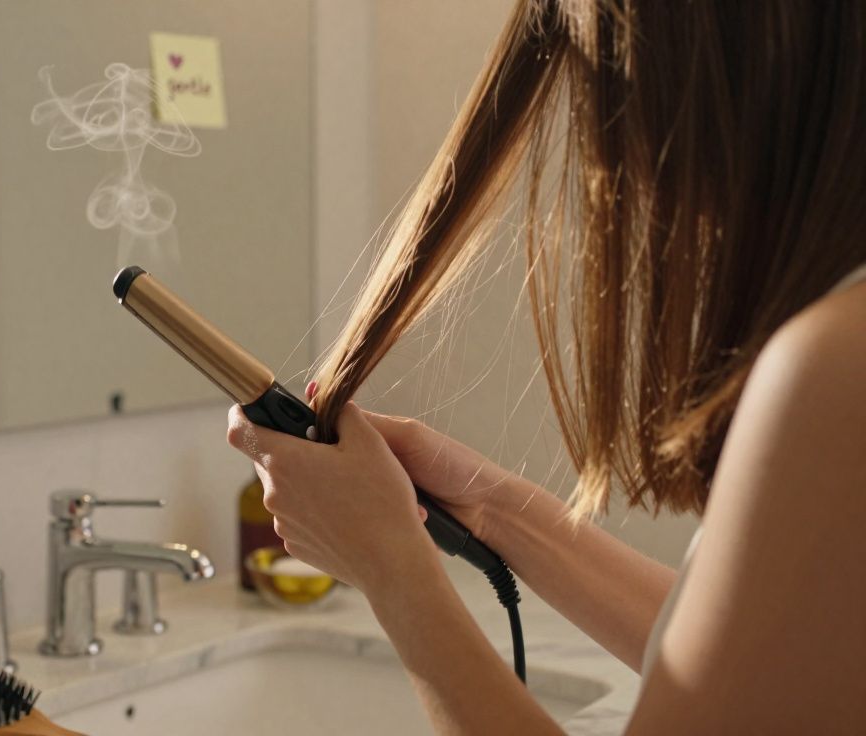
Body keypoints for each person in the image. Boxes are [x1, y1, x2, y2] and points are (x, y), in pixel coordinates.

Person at [229, 1, 866, 732]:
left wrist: (391, 570)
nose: (613, 163)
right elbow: (749, 669)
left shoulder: (833, 367)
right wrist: (495, 509)